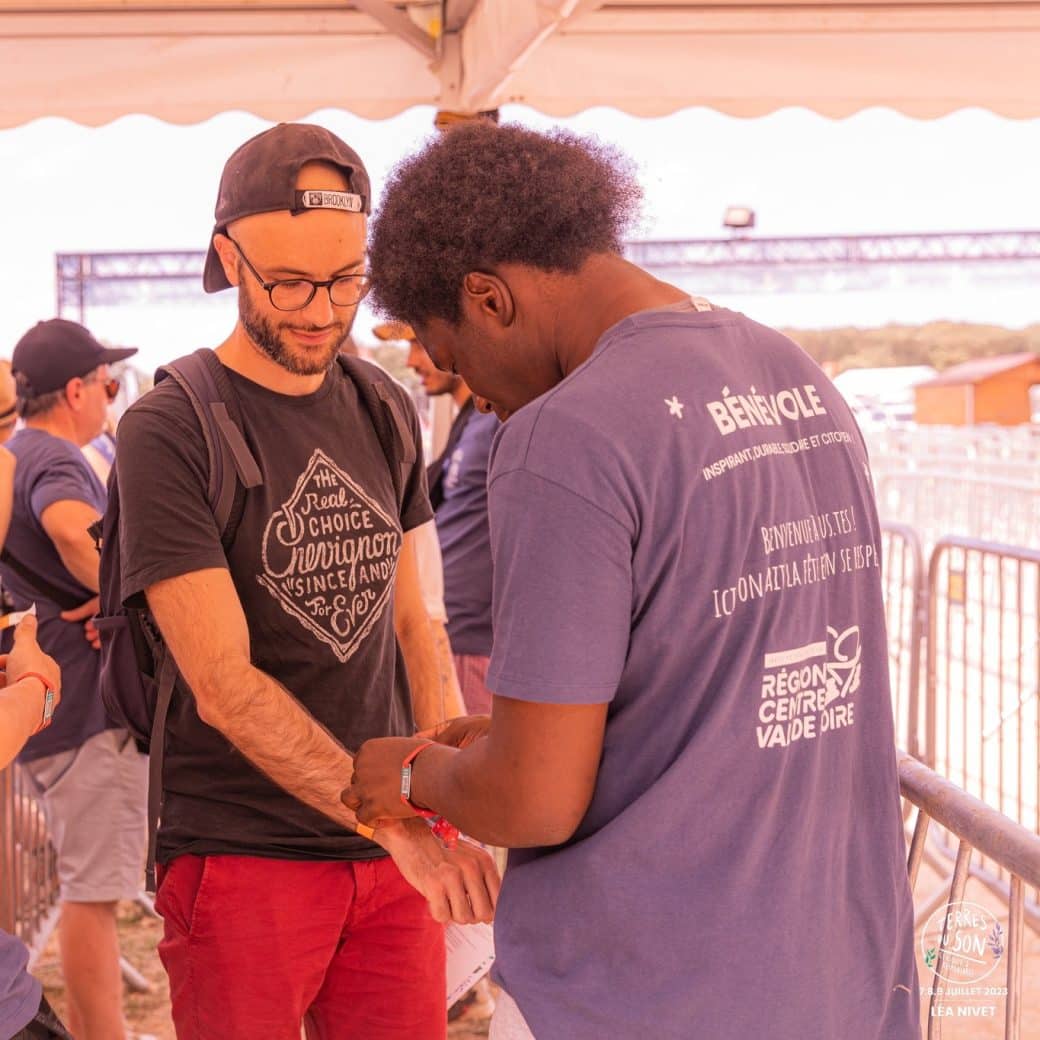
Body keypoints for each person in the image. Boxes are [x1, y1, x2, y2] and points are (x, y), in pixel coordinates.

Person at [346, 122, 920, 1040]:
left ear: (488, 297)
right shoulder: (793, 374)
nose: (477, 396)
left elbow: (534, 798)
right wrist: (512, 733)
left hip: (643, 985)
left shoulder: (563, 435)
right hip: (833, 970)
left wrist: (413, 775)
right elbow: (727, 690)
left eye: (455, 361)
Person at [113, 122, 498, 1040]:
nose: (322, 312)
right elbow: (223, 684)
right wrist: (393, 823)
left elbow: (419, 624)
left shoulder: (383, 404)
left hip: (391, 843)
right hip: (244, 850)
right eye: (288, 283)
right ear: (228, 260)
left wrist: (441, 798)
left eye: (346, 280)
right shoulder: (171, 426)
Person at [4, 320, 148, 1040]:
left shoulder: (13, 454)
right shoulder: (57, 458)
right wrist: (127, 592)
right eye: (108, 386)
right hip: (86, 713)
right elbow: (69, 528)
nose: (109, 398)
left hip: (44, 715)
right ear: (75, 391)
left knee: (76, 893)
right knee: (93, 898)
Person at [377, 322, 498, 715]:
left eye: (420, 343)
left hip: (470, 637)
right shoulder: (471, 424)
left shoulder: (498, 421)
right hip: (444, 629)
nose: (412, 361)